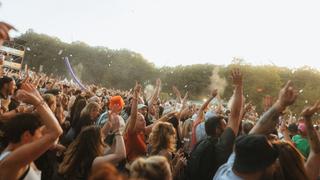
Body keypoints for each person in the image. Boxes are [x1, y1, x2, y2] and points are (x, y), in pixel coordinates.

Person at [214, 80, 298, 180]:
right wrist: (279, 104)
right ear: (263, 168)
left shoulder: (227, 170)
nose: (275, 167)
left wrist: (280, 104)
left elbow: (256, 131)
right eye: (273, 163)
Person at [186, 69, 243, 180]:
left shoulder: (201, 142)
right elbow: (235, 115)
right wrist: (239, 86)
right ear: (217, 129)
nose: (227, 127)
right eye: (224, 124)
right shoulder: (222, 146)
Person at [0, 83, 63, 179]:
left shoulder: (17, 155)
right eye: (39, 132)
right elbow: (56, 131)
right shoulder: (13, 159)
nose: (41, 135)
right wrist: (37, 101)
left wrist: (38, 98)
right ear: (26, 135)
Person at [57, 111, 126, 179]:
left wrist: (109, 123)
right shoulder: (95, 161)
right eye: (101, 139)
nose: (103, 140)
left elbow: (101, 135)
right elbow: (120, 155)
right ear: (95, 142)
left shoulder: (79, 151)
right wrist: (117, 131)